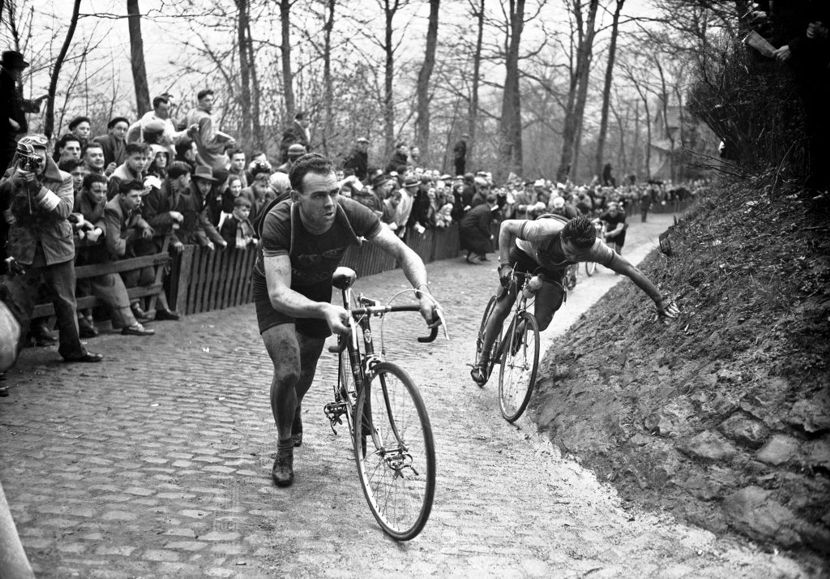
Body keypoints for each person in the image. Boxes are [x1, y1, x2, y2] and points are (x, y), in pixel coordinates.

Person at [255, 153, 440, 487]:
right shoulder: (281, 220)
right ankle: (284, 445)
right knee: (288, 369)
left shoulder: (350, 212)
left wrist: (423, 292)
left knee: (306, 369)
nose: (330, 202)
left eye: (335, 191)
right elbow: (279, 293)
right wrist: (324, 309)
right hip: (278, 291)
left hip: (316, 284)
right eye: (319, 195)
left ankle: (292, 408)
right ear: (297, 198)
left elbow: (403, 252)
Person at [470, 215, 678, 386]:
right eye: (569, 251)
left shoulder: (595, 249)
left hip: (551, 268)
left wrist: (659, 300)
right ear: (562, 236)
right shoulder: (542, 230)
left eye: (579, 255)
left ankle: (520, 329)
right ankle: (482, 361)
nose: (573, 257)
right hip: (523, 256)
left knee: (541, 321)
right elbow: (506, 226)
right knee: (504, 305)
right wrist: (505, 265)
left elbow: (630, 269)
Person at [0, 135, 103, 363]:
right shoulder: (11, 177)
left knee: (66, 302)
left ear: (48, 154)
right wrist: (14, 182)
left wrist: (36, 187)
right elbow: (2, 202)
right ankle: (7, 358)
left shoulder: (64, 178)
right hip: (24, 249)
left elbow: (64, 210)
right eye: (30, 154)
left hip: (57, 246)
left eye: (40, 153)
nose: (36, 159)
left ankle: (73, 349)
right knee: (18, 304)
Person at [0, 50, 46, 174]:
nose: (20, 74)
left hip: (14, 138)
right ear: (9, 68)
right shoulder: (2, 82)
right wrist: (9, 121)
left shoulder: (11, 85)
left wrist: (33, 105)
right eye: (18, 70)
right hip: (5, 138)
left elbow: (16, 104)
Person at [185, 89, 236, 171]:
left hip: (195, 157)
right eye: (207, 100)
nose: (211, 103)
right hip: (209, 162)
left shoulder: (192, 113)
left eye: (212, 100)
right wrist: (225, 145)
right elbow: (207, 145)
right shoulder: (206, 118)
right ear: (200, 101)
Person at [459, 193, 498, 264]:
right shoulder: (486, 210)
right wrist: (489, 235)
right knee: (482, 240)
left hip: (466, 225)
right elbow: (483, 226)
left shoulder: (483, 207)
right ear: (495, 202)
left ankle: (480, 256)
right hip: (468, 227)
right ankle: (472, 257)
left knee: (481, 238)